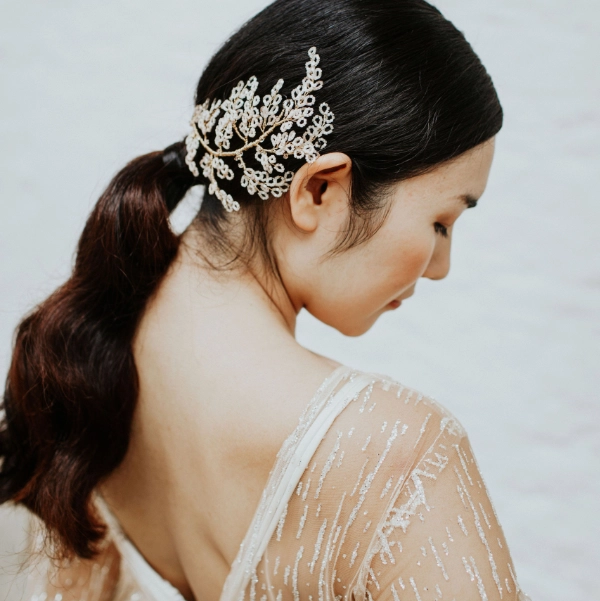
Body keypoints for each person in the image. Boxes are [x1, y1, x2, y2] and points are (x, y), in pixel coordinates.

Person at [0, 0, 532, 600]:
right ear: (319, 190)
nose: (442, 266)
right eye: (441, 221)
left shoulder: (77, 366)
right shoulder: (400, 455)